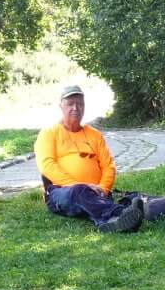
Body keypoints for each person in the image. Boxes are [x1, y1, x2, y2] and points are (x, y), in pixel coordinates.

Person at [36, 84, 145, 233]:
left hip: (97, 193)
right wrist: (80, 185)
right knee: (79, 191)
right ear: (61, 106)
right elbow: (47, 165)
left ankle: (110, 222)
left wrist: (103, 188)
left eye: (80, 104)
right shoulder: (49, 133)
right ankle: (119, 213)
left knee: (91, 200)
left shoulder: (94, 135)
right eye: (70, 104)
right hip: (62, 192)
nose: (75, 108)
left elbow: (108, 166)